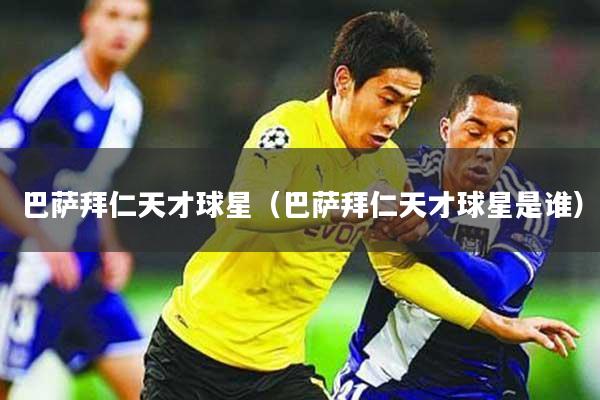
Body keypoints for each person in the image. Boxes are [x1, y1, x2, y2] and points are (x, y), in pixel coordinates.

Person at [142, 12, 577, 400]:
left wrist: (499, 325)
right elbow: (246, 209)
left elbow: (397, 270)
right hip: (191, 354)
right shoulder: (288, 126)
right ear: (344, 81)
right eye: (387, 99)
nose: (394, 119)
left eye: (407, 106)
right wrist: (342, 205)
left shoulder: (386, 165)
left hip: (276, 370)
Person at [333, 74, 567, 400]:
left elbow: (496, 287)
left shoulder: (529, 207)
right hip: (383, 379)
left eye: (503, 139)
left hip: (476, 385)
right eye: (474, 132)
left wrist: (423, 235)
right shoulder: (405, 177)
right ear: (446, 129)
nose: (487, 149)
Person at [0, 0, 151, 399]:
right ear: (88, 21)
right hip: (20, 273)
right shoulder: (52, 86)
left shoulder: (128, 103)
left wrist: (110, 246)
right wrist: (43, 239)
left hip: (85, 279)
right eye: (112, 15)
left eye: (135, 19)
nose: (123, 29)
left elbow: (96, 184)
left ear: (145, 31)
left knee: (152, 389)